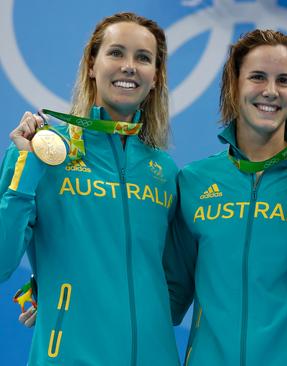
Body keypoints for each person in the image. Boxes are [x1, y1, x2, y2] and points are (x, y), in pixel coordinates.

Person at [164, 29, 287, 365]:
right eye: (257, 77)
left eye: (284, 80)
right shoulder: (194, 181)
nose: (270, 91)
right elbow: (170, 298)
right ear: (234, 85)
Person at [0, 12, 180, 365]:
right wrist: (61, 295)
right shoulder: (42, 149)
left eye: (143, 58)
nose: (129, 66)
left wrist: (54, 283)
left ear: (156, 77)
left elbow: (174, 278)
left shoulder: (166, 171)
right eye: (116, 53)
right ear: (91, 65)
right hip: (69, 356)